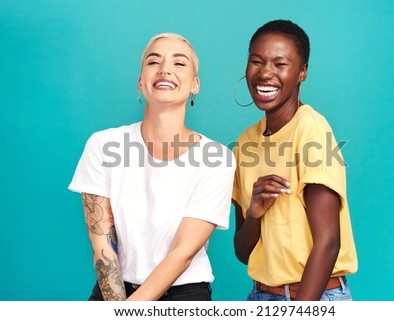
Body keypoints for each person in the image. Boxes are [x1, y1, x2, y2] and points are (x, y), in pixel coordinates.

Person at [68, 32, 236, 301]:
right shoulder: (102, 144)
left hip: (183, 295)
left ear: (195, 85)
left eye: (179, 63)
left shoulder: (216, 158)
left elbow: (183, 252)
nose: (165, 69)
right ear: (140, 82)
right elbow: (101, 242)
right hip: (114, 291)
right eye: (153, 62)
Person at [232, 20, 358, 301]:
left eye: (280, 64)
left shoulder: (310, 129)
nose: (265, 73)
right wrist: (254, 213)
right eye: (257, 61)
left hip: (314, 298)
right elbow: (243, 253)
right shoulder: (245, 143)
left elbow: (328, 243)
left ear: (302, 72)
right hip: (261, 296)